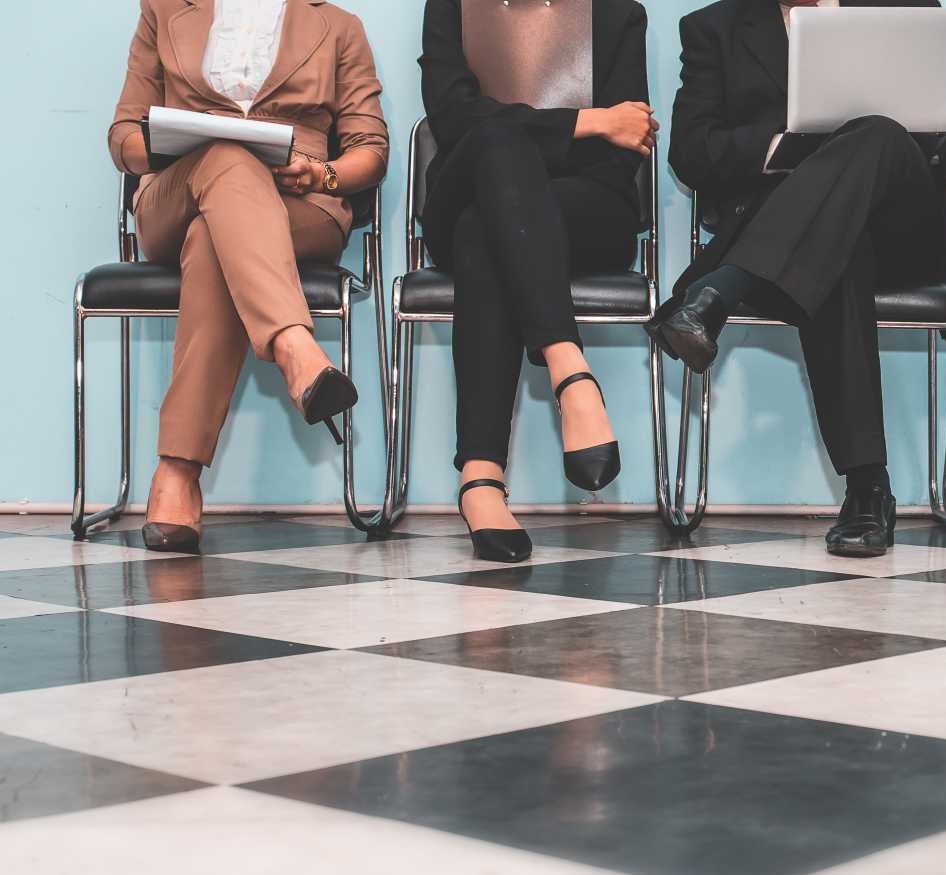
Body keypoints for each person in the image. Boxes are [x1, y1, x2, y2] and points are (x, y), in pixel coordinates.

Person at [648, 0, 946, 558]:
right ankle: (867, 488)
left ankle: (720, 290)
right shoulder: (714, 28)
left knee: (875, 133)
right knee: (838, 242)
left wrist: (891, 139)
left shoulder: (902, 12)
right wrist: (790, 145)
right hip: (803, 240)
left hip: (903, 226)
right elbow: (691, 152)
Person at [108, 0, 389, 553]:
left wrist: (323, 171)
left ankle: (177, 470)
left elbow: (370, 152)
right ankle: (293, 344)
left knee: (215, 240)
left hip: (298, 199)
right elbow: (123, 136)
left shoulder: (339, 26)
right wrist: (176, 142)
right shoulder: (164, 10)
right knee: (226, 156)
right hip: (180, 187)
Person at [420, 0, 655, 562]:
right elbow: (454, 119)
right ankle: (571, 373)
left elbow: (630, 142)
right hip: (467, 186)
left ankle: (479, 477)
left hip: (586, 208)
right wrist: (591, 120)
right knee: (497, 149)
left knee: (490, 227)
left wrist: (559, 132)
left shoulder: (619, 12)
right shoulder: (452, 3)